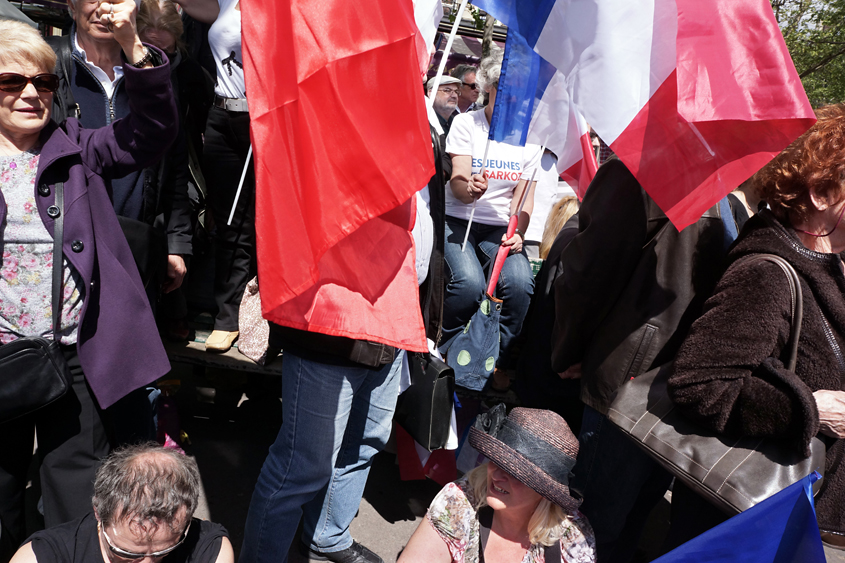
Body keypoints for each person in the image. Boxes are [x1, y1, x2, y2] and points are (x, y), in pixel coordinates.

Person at [0, 14, 175, 562]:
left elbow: (150, 131)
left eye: (43, 83)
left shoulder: (76, 145)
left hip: (75, 355)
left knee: (75, 493)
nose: (30, 93)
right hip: (2, 357)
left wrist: (130, 45)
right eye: (12, 82)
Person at [665, 104, 845, 548]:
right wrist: (810, 409)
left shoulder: (830, 267)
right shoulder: (767, 272)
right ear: (821, 193)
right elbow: (698, 383)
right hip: (769, 528)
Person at [550, 157, 735, 563]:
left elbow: (588, 272)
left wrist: (569, 348)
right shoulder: (649, 171)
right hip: (634, 382)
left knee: (609, 521)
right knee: (596, 523)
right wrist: (572, 349)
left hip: (661, 387)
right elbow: (591, 271)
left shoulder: (711, 183)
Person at [440, 50, 540, 392]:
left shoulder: (531, 139)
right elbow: (458, 181)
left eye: (518, 91)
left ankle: (497, 359)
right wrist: (470, 189)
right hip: (458, 219)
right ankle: (447, 350)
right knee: (467, 284)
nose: (510, 97)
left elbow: (524, 200)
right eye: (502, 88)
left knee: (520, 283)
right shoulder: (467, 123)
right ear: (488, 88)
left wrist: (520, 234)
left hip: (499, 228)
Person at [399, 405, 595, 563]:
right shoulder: (459, 502)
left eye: (518, 474)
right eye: (498, 461)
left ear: (545, 492)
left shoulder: (573, 539)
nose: (498, 475)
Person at [176, 0, 254, 353]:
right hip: (222, 116)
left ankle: (246, 315)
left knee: (255, 221)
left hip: (265, 120)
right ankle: (227, 313)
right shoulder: (225, 1)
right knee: (226, 219)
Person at [9, 443, 233, 563]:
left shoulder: (208, 548)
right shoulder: (42, 556)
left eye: (163, 552)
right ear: (98, 513)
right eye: (128, 554)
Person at [136, 0, 214, 341]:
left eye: (165, 50)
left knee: (184, 225)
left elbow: (202, 120)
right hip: (138, 159)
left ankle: (177, 311)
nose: (158, 59)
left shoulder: (190, 74)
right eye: (150, 48)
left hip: (180, 159)